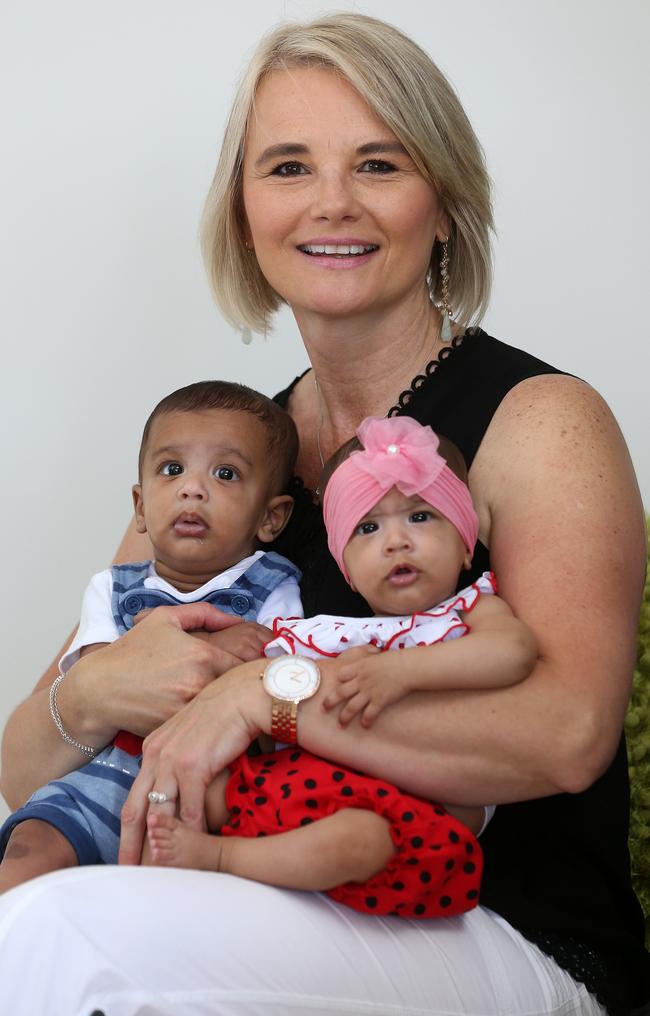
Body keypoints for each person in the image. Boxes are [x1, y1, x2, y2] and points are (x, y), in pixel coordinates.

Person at [0, 12, 647, 1016]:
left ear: (442, 204)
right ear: (243, 211)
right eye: (289, 166)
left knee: (58, 935)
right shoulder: (232, 449)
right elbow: (22, 760)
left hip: (493, 925)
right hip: (268, 885)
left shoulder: (540, 419)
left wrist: (271, 692)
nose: (331, 203)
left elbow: (564, 732)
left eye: (378, 163)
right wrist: (95, 690)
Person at [144, 415, 536, 922]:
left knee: (357, 838)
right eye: (368, 528)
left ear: (466, 544)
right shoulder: (336, 636)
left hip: (405, 816)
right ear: (347, 570)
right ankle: (164, 865)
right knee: (203, 786)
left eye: (421, 517)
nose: (396, 541)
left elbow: (513, 653)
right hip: (303, 788)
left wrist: (402, 672)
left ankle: (221, 859)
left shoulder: (469, 611)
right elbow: (258, 701)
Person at [0, 378, 303, 885]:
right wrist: (215, 650)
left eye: (225, 474)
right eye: (172, 469)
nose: (192, 487)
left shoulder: (274, 586)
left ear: (271, 517)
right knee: (31, 843)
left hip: (210, 787)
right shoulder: (112, 588)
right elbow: (108, 675)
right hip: (105, 773)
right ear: (140, 507)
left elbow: (281, 680)